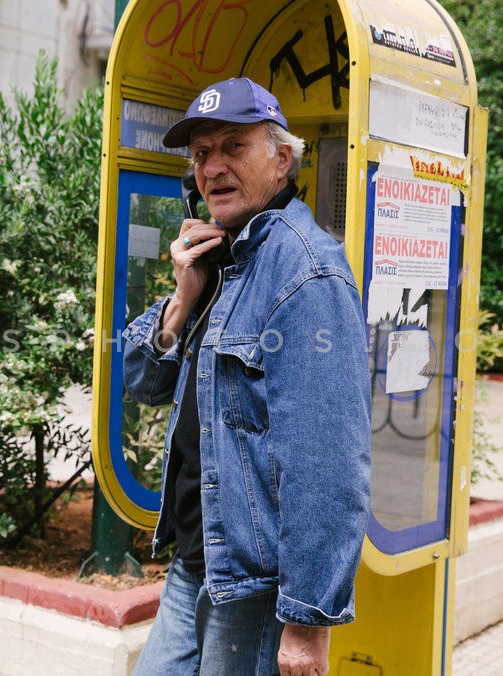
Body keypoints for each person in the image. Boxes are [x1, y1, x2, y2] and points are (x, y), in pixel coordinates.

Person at [123, 77, 371, 676]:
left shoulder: (306, 273)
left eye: (234, 146)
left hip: (255, 589)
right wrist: (183, 298)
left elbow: (328, 461)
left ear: (281, 160)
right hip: (195, 563)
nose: (212, 168)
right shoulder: (220, 263)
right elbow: (141, 383)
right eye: (201, 153)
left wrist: (307, 622)